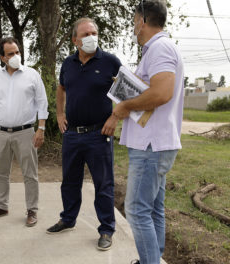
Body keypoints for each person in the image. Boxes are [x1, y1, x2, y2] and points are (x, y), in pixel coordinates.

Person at [102, 1, 184, 263]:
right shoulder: (156, 50)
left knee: (137, 211)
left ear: (143, 21)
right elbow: (155, 89)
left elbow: (161, 92)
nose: (133, 26)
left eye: (134, 20)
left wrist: (124, 106)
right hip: (155, 144)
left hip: (151, 147)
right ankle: (153, 258)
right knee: (154, 209)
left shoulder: (159, 48)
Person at [46, 18, 121, 251]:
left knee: (103, 184)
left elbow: (127, 91)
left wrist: (115, 117)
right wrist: (59, 114)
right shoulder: (67, 64)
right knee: (69, 181)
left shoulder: (110, 62)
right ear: (74, 40)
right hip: (72, 135)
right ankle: (68, 219)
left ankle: (106, 229)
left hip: (99, 133)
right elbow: (61, 88)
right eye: (86, 33)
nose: (91, 37)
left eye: (94, 32)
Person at [0, 37, 48, 227]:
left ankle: (32, 210)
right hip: (1, 133)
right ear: (3, 57)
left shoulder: (32, 75)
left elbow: (42, 103)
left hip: (26, 132)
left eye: (17, 52)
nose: (15, 56)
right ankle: (1, 206)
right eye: (10, 53)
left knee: (30, 173)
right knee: (1, 172)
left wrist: (41, 128)